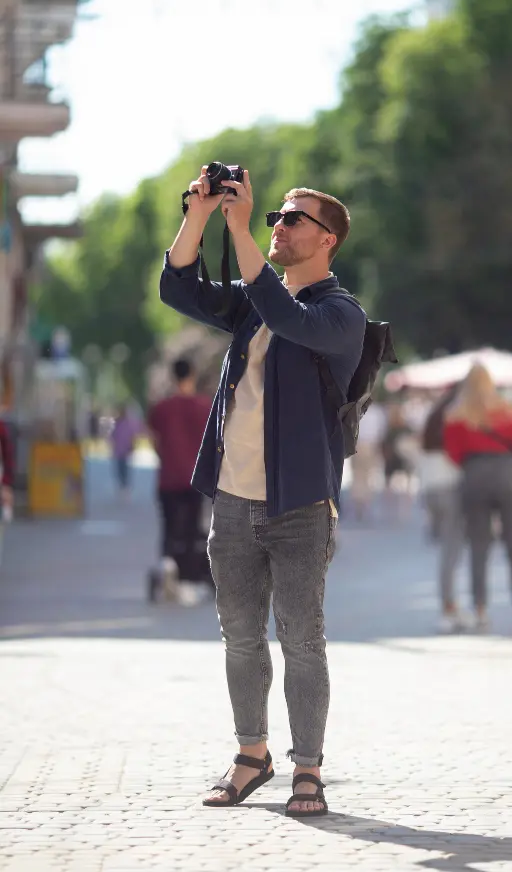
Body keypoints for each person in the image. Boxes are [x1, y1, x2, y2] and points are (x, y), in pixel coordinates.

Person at [159, 166, 365, 817]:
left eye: (291, 218)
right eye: (273, 216)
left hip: (300, 504)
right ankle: (252, 755)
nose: (278, 224)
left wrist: (241, 231)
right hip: (233, 500)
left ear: (327, 239)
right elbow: (178, 287)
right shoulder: (253, 300)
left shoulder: (340, 314)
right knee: (239, 637)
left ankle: (308, 767)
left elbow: (286, 313)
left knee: (301, 637)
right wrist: (198, 214)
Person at [444, 364, 512, 637]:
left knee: (479, 546)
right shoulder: (507, 410)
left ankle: (481, 612)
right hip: (506, 473)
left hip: (475, 474)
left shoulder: (457, 414)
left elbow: (453, 452)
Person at [147, 359, 212, 602]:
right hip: (195, 480)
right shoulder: (204, 406)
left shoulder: (162, 408)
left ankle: (168, 567)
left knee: (169, 528)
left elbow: (155, 442)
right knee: (193, 529)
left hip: (168, 479)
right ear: (192, 375)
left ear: (173, 376)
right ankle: (191, 576)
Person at [418, 392, 464, 634]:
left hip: (430, 489)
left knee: (447, 553)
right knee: (451, 553)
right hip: (449, 487)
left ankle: (450, 607)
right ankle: (448, 609)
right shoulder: (453, 421)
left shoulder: (431, 421)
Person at [348, 401, 385, 522]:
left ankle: (359, 504)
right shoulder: (377, 412)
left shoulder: (356, 410)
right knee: (367, 477)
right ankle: (364, 504)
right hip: (369, 445)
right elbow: (381, 431)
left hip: (358, 445)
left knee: (358, 477)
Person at [109, 403, 143, 495]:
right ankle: (122, 485)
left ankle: (125, 486)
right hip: (118, 450)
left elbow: (134, 435)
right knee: (119, 468)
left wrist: (132, 445)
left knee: (125, 468)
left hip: (126, 450)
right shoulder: (118, 423)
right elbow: (113, 436)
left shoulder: (129, 424)